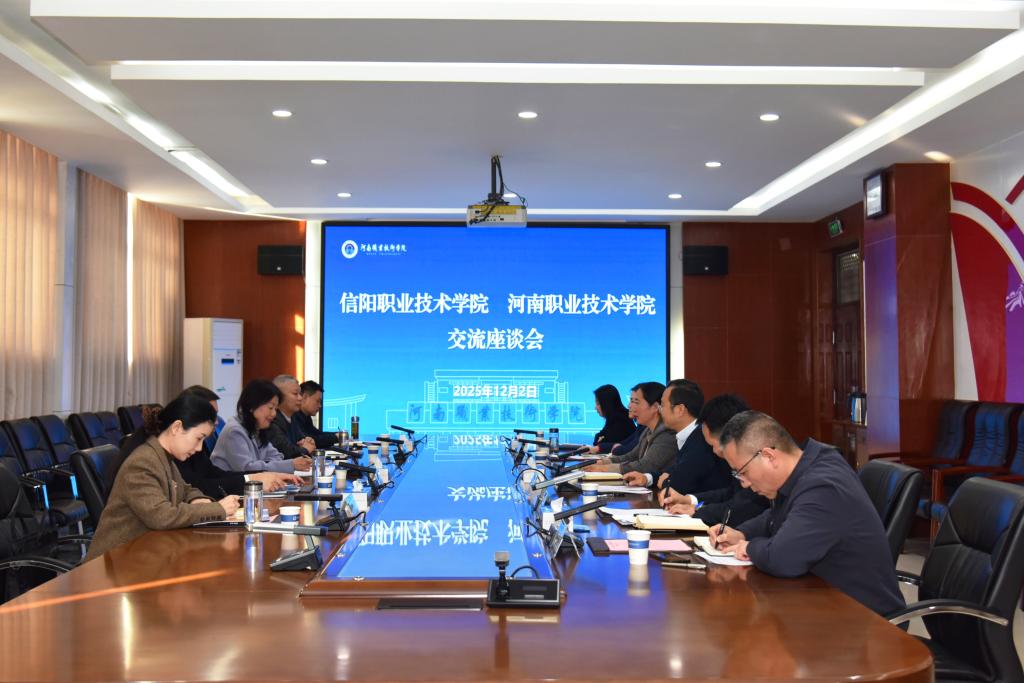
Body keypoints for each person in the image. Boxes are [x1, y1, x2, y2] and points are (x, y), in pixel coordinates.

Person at [709, 411, 905, 616]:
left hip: (864, 617)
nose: (744, 484)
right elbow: (777, 516)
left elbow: (782, 559)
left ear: (769, 456)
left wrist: (749, 547)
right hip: (824, 599)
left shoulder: (823, 486)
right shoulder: (807, 466)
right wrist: (742, 533)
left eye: (743, 472)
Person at [85, 394, 240, 560]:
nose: (199, 448)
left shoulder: (162, 456)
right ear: (176, 428)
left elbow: (185, 489)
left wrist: (197, 499)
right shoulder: (143, 462)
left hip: (143, 554)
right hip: (114, 562)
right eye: (198, 438)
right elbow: (161, 516)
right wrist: (217, 509)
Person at [120, 386, 303, 498]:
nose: (216, 422)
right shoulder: (147, 458)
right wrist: (253, 480)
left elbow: (203, 480)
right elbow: (196, 488)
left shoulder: (182, 447)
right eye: (210, 415)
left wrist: (258, 476)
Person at [660, 394, 770, 526]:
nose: (714, 451)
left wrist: (698, 511)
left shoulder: (756, 460)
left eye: (712, 445)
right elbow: (731, 493)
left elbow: (744, 507)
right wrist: (689, 500)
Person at [624, 379, 730, 493]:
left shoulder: (701, 439)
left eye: (662, 405)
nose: (660, 410)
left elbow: (678, 484)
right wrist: (647, 478)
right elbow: (674, 472)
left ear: (679, 410)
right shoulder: (689, 435)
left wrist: (666, 481)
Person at [211, 379, 312, 474]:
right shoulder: (234, 431)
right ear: (252, 406)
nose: (274, 414)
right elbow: (246, 468)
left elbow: (277, 456)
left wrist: (263, 464)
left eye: (275, 409)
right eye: (270, 408)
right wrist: (290, 464)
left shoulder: (257, 428)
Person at [586, 382, 675, 475]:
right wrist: (603, 462)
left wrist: (605, 468)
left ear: (655, 407)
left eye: (635, 402)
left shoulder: (666, 434)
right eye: (631, 401)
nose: (629, 406)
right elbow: (631, 456)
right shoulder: (648, 430)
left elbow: (645, 466)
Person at [267, 375, 316, 458]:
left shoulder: (292, 417)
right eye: (295, 394)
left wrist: (309, 441)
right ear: (278, 397)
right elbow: (286, 451)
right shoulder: (271, 419)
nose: (300, 398)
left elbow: (302, 439)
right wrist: (305, 449)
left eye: (300, 394)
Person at [294, 380, 339, 449]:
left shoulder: (306, 416)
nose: (320, 406)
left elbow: (317, 433)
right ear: (305, 397)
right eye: (317, 401)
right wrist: (336, 437)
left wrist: (338, 435)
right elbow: (311, 440)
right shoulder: (294, 416)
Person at [590, 384, 635, 450]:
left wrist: (600, 442)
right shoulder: (612, 418)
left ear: (607, 403)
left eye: (598, 403)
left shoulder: (621, 420)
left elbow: (602, 443)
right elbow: (598, 439)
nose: (595, 408)